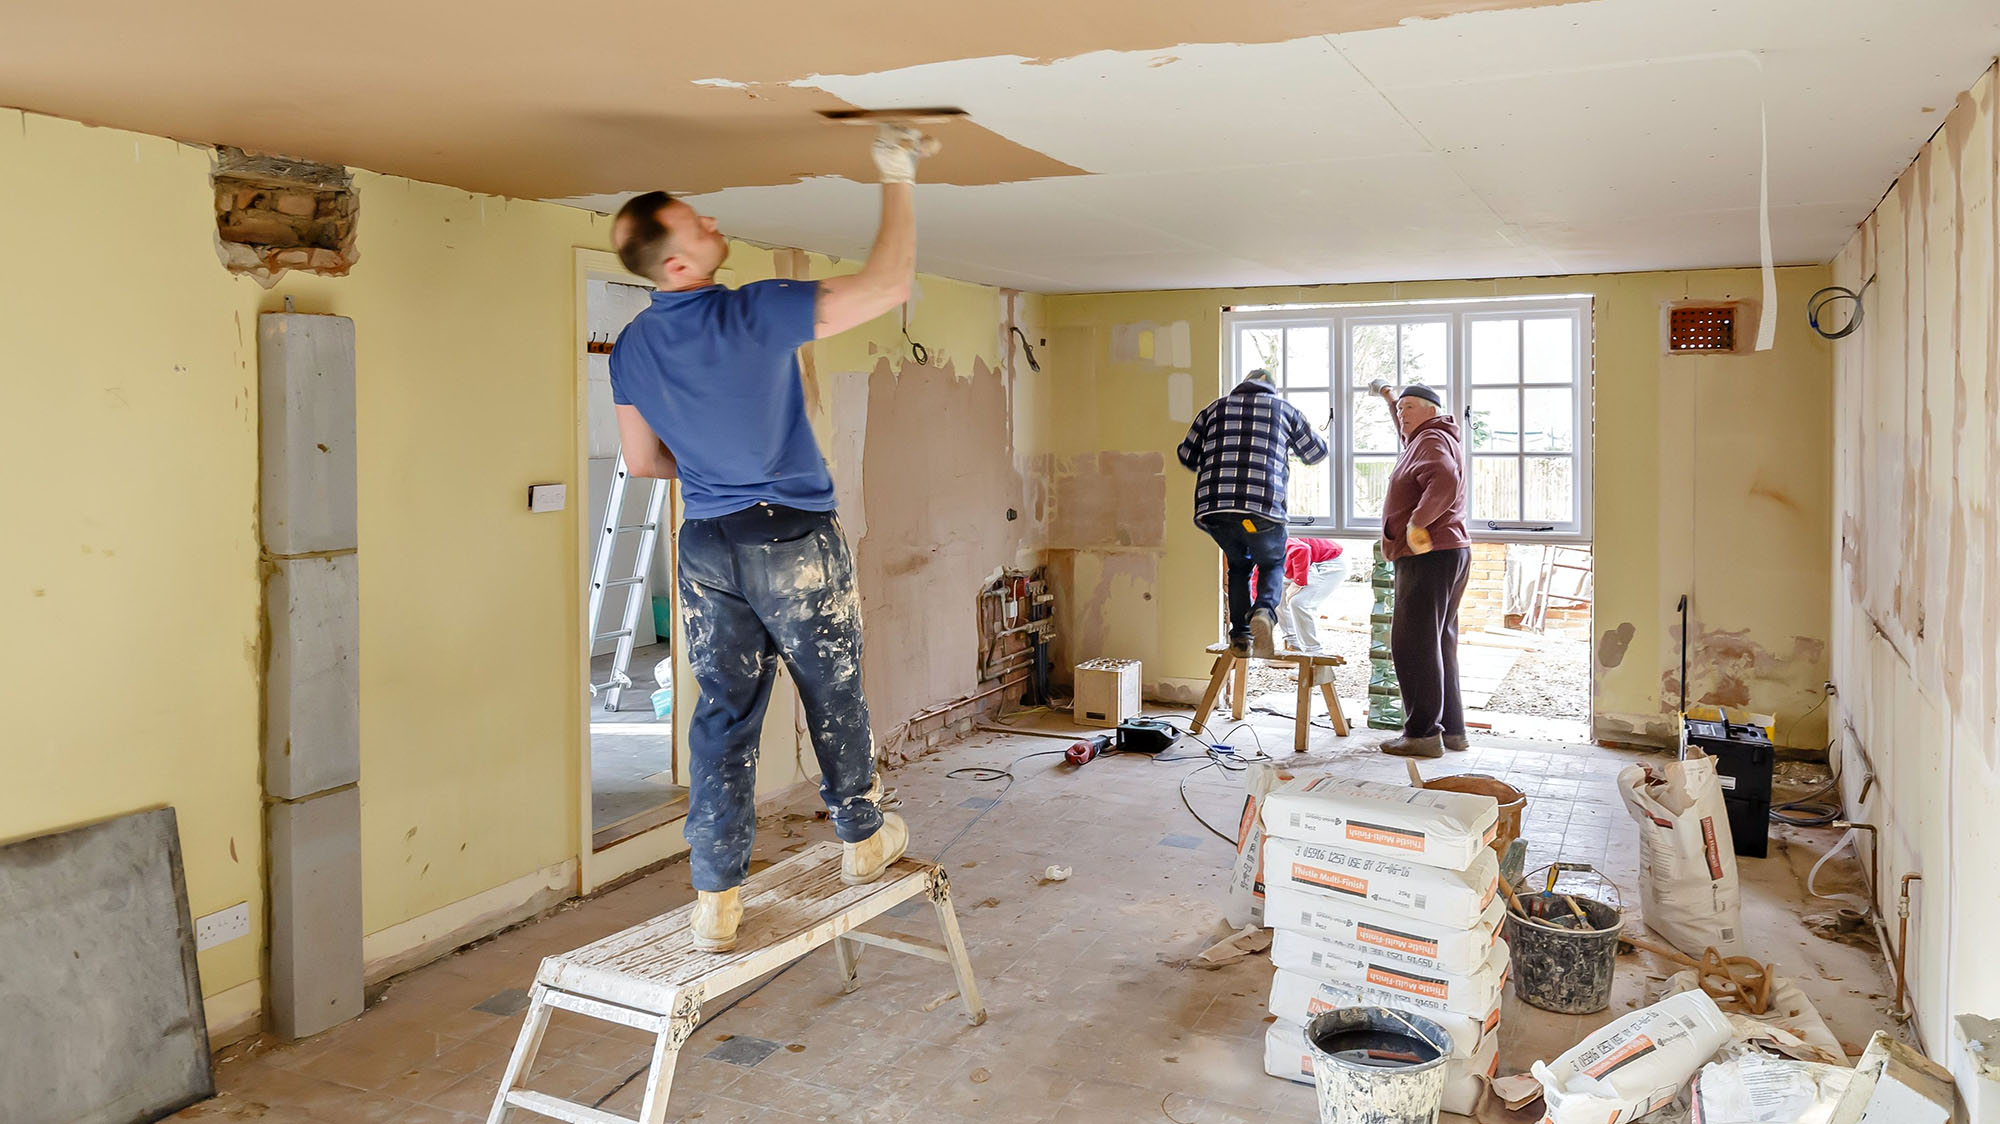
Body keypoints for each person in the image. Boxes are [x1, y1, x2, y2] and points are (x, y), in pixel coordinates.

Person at [607, 126, 935, 951]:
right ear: (677, 265)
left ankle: (715, 898)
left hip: (708, 545)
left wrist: (718, 463)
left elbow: (643, 461)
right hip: (790, 537)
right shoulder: (753, 309)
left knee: (722, 714)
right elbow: (891, 282)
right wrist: (897, 175)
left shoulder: (634, 345)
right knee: (832, 689)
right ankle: (862, 840)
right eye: (698, 224)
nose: (715, 224)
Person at [1177, 368, 1328, 657]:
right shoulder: (1284, 409)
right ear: (1270, 388)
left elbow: (1187, 456)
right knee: (1272, 561)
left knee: (1239, 566)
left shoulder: (1214, 408)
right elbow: (1316, 453)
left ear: (1243, 385)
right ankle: (1264, 612)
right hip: (1261, 509)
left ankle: (1241, 637)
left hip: (1215, 510)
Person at [1370, 380, 1471, 758]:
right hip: (1449, 553)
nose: (1402, 414)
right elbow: (1405, 429)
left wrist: (1417, 523)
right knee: (1438, 642)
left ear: (1432, 410)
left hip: (1428, 554)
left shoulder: (1430, 441)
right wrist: (1389, 399)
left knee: (1413, 644)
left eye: (1410, 407)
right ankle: (1452, 731)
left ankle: (1423, 734)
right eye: (1401, 409)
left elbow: (1444, 478)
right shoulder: (1426, 437)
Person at [1273, 537, 1347, 654]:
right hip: (1303, 561)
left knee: (1300, 603)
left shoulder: (1268, 538)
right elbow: (1257, 579)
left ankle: (1313, 652)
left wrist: (1298, 582)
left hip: (1330, 561)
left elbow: (1302, 549)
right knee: (1278, 597)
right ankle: (1294, 645)